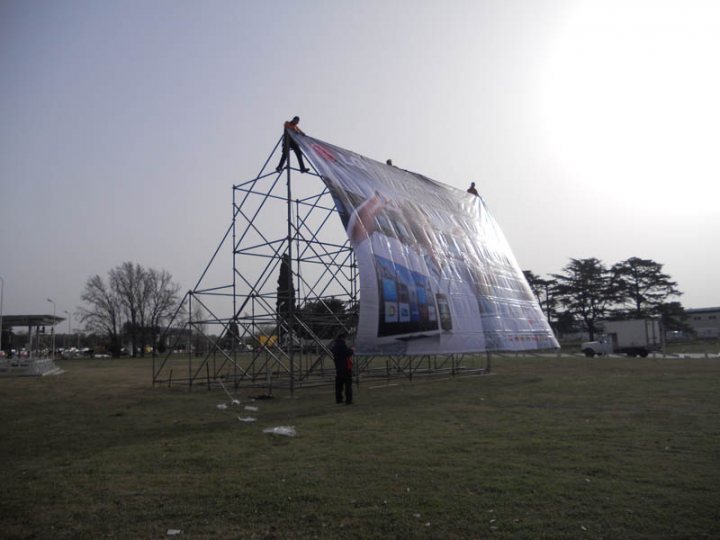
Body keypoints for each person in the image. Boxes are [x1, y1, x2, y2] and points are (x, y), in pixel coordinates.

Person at [330, 332, 354, 405]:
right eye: (345, 338)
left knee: (339, 385)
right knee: (348, 385)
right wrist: (352, 350)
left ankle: (339, 399)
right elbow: (347, 353)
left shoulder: (335, 346)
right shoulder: (342, 345)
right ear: (342, 338)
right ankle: (348, 400)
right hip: (346, 367)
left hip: (338, 367)